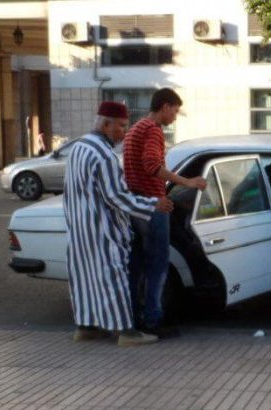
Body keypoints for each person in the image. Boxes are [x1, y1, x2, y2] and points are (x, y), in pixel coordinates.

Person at [63, 101, 174, 347]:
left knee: (86, 280)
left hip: (80, 229)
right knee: (115, 279)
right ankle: (127, 332)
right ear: (105, 124)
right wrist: (153, 205)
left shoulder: (79, 147)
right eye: (121, 126)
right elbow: (116, 197)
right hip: (103, 232)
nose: (124, 132)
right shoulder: (104, 155)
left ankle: (86, 327)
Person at [123, 88, 207, 338]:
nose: (175, 117)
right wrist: (187, 183)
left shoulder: (135, 129)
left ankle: (134, 319)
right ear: (165, 106)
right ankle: (153, 321)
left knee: (136, 266)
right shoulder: (152, 130)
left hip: (135, 205)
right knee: (158, 266)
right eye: (175, 111)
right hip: (152, 206)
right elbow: (152, 166)